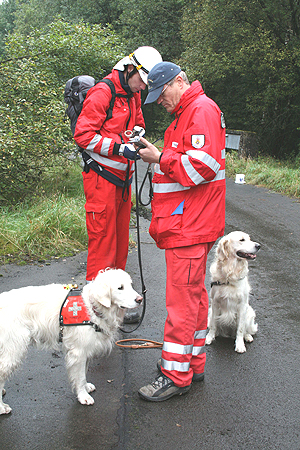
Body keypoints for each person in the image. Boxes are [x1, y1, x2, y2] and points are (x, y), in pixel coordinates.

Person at [137, 62, 226, 401]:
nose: (160, 101)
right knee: (195, 298)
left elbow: (201, 167)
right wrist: (159, 157)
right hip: (189, 223)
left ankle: (177, 375)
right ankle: (194, 363)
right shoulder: (190, 113)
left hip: (190, 224)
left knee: (181, 303)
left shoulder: (199, 110)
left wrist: (160, 158)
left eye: (162, 94)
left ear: (179, 81)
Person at [74, 47, 162, 323]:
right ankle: (94, 312)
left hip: (122, 182)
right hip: (101, 179)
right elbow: (83, 135)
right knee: (102, 244)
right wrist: (118, 148)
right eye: (142, 81)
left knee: (120, 244)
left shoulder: (132, 95)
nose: (142, 88)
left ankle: (119, 305)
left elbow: (138, 124)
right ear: (130, 69)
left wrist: (136, 138)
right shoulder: (103, 92)